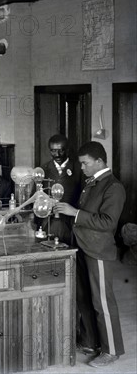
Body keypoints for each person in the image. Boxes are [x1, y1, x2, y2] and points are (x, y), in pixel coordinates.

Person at [54, 141, 125, 368]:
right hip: (83, 247)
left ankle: (112, 350)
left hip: (99, 250)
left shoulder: (113, 187)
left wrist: (74, 213)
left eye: (85, 163)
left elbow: (107, 222)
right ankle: (90, 343)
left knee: (102, 302)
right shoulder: (91, 182)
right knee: (83, 298)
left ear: (99, 161)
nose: (82, 168)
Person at [41, 134, 83, 244]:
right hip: (49, 222)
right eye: (53, 151)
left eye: (61, 150)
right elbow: (37, 196)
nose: (57, 155)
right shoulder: (43, 169)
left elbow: (85, 195)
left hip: (71, 223)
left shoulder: (79, 168)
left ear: (67, 149)